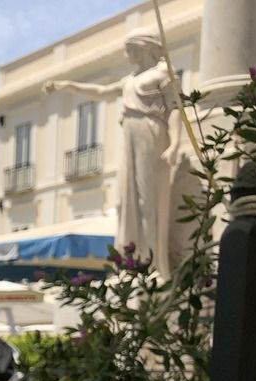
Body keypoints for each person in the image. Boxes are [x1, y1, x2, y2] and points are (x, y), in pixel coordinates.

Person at [44, 29, 180, 278]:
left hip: (150, 132)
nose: (128, 56)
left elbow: (175, 108)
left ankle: (154, 265)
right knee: (125, 200)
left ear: (144, 48)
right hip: (129, 132)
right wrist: (67, 85)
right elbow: (100, 92)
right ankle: (134, 261)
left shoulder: (162, 73)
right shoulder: (129, 80)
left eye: (131, 50)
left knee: (148, 201)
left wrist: (176, 142)